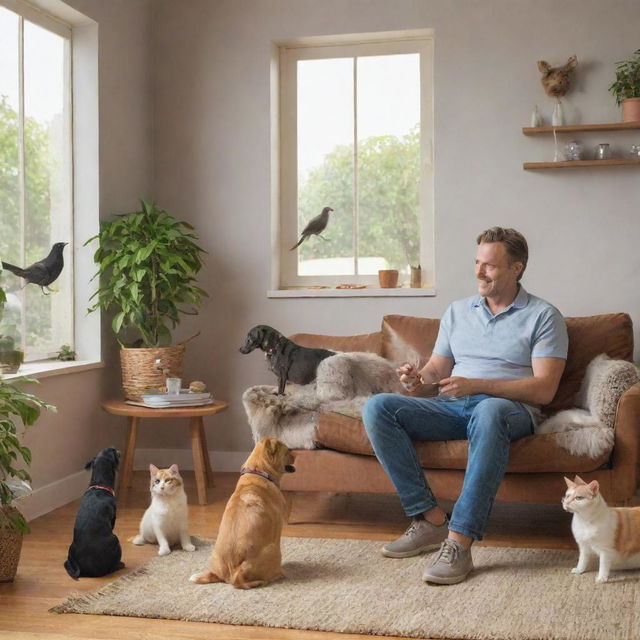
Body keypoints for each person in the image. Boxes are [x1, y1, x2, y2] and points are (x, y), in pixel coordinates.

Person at [362, 227, 568, 585]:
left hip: (510, 410)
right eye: (477, 262)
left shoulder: (544, 316)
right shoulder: (458, 312)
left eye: (489, 266)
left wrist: (479, 385)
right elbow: (437, 372)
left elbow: (544, 389)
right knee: (379, 407)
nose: (478, 272)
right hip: (454, 406)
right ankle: (429, 519)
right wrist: (417, 380)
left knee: (489, 410)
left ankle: (459, 541)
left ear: (516, 268)